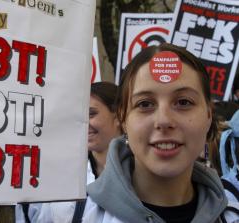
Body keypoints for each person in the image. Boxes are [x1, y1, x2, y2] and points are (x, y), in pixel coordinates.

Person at [83, 43, 239, 223]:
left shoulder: (232, 216)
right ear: (123, 119)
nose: (164, 120)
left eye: (183, 102)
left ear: (209, 115)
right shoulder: (68, 215)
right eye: (145, 104)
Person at [16, 81, 122, 223]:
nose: (84, 123)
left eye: (91, 114)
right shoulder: (63, 173)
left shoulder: (143, 175)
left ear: (118, 116)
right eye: (80, 116)